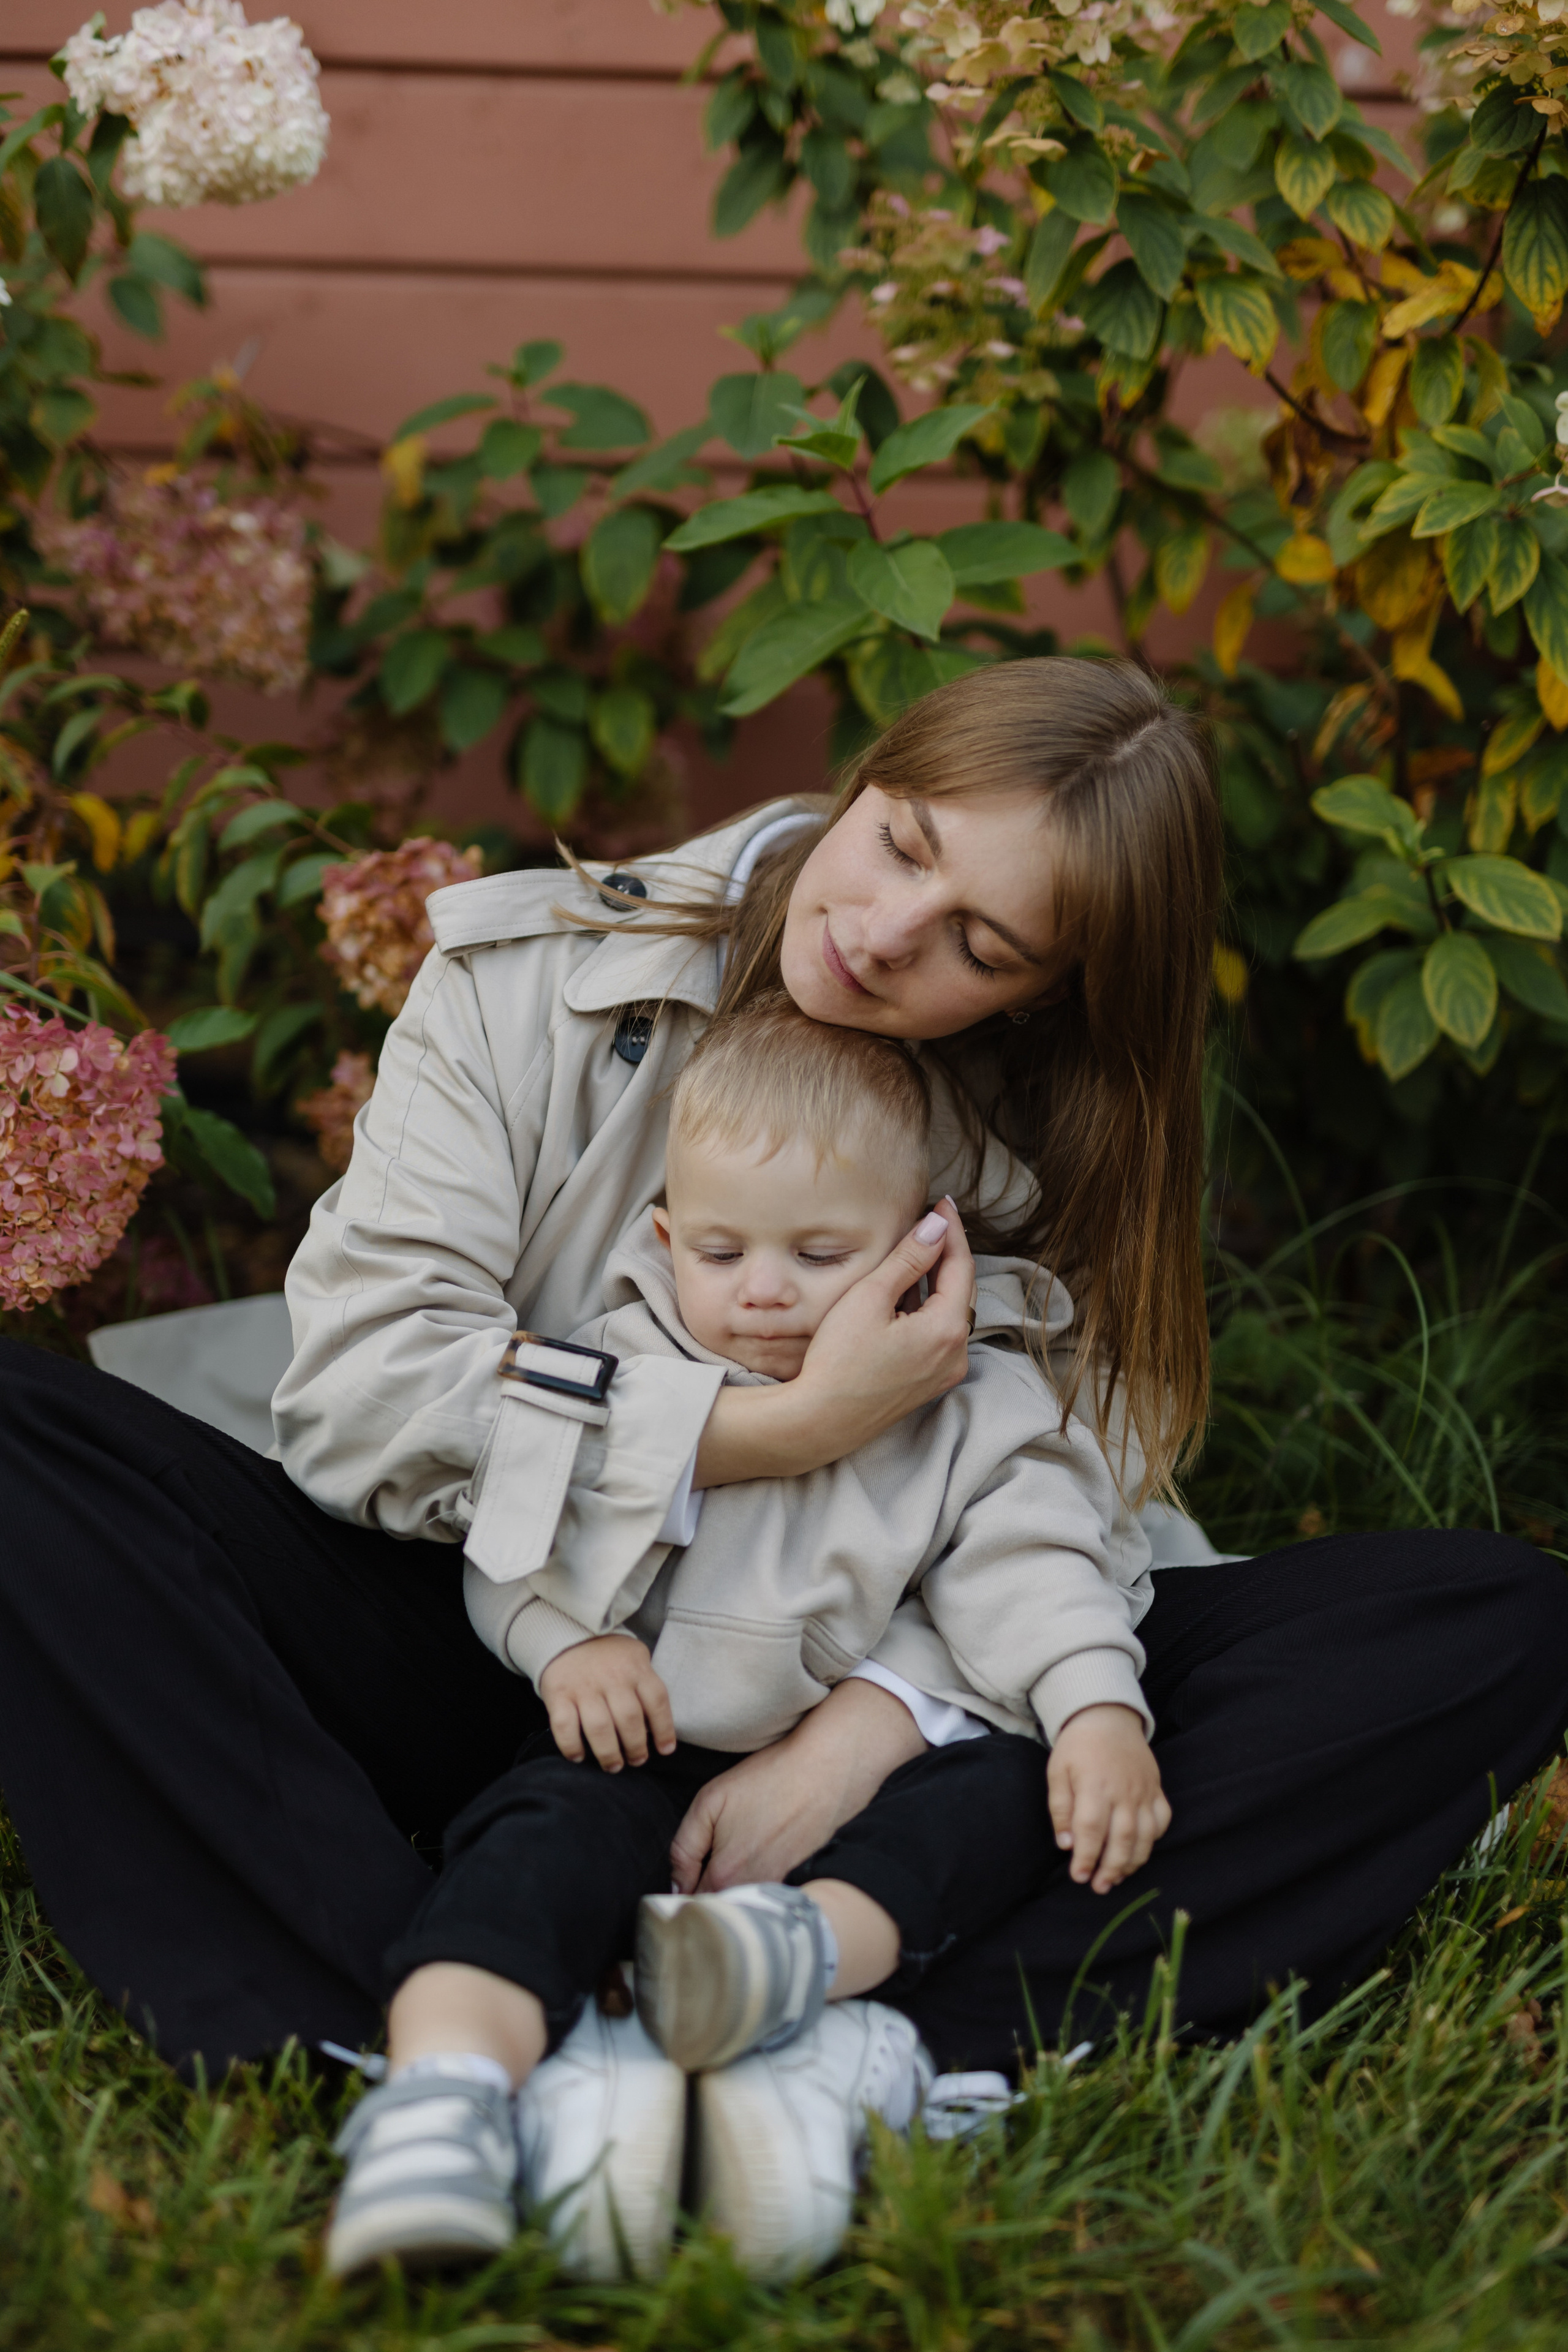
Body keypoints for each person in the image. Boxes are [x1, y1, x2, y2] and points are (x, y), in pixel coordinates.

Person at [0, 660, 1562, 2262]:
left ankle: (843, 2031)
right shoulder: (535, 981)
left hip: (874, 1682)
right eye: (901, 841)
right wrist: (780, 1429)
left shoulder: (1055, 1137)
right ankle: (413, 2023)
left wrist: (872, 1730)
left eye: (983, 942)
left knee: (1487, 1617)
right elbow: (364, 1401)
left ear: (1047, 991)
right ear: (868, 776)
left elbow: (1045, 1516)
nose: (888, 930)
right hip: (508, 1628)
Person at [326, 992, 1170, 2280]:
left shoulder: (974, 1401)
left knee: (997, 1801)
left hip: (867, 1771)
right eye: (720, 1254)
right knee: (530, 1843)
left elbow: (1037, 1568)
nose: (764, 1294)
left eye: (821, 1256)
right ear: (664, 1239)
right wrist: (563, 1645)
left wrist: (1097, 1708)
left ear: (919, 1247)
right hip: (645, 1743)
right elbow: (504, 1547)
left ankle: (787, 1971)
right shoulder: (609, 1369)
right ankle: (439, 2097)